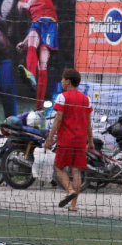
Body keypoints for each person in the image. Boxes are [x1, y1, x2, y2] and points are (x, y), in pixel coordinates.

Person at [43, 68, 94, 212]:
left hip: (66, 139)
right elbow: (88, 123)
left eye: (62, 79)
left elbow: (58, 120)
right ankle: (73, 206)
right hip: (80, 140)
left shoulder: (62, 97)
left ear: (68, 82)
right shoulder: (86, 99)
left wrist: (50, 138)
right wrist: (90, 142)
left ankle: (70, 190)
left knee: (59, 168)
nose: (61, 81)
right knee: (76, 171)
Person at [14, 0, 58, 110]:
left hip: (49, 21)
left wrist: (28, 3)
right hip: (37, 23)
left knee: (43, 62)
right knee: (32, 40)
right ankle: (30, 76)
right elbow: (33, 23)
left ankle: (38, 107)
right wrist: (23, 42)